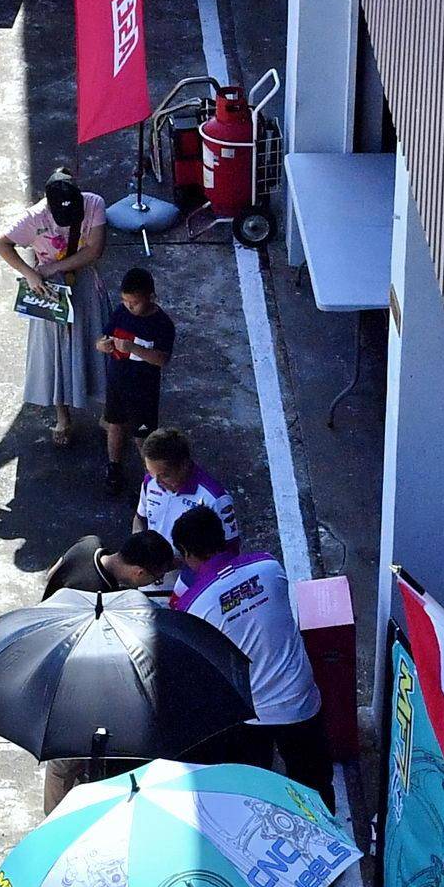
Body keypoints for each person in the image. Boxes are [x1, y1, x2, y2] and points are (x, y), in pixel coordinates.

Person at [169, 506, 332, 794]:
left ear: (187, 553)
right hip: (300, 699)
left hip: (249, 716)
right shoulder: (269, 566)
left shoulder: (192, 605)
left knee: (253, 793)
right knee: (316, 786)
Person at [0, 166, 108, 451]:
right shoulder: (34, 217)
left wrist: (53, 267)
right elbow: (2, 244)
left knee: (97, 344)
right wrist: (30, 274)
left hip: (83, 280)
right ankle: (62, 415)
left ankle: (108, 410)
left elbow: (94, 249)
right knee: (55, 353)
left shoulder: (94, 204)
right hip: (50, 291)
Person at [99, 267, 175, 483]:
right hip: (117, 382)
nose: (129, 306)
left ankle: (152, 479)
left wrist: (133, 348)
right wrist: (102, 344)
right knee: (114, 425)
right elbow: (105, 336)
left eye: (134, 302)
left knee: (143, 437)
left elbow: (162, 359)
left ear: (151, 297)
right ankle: (114, 465)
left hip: (143, 392)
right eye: (125, 301)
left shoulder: (162, 324)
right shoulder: (121, 313)